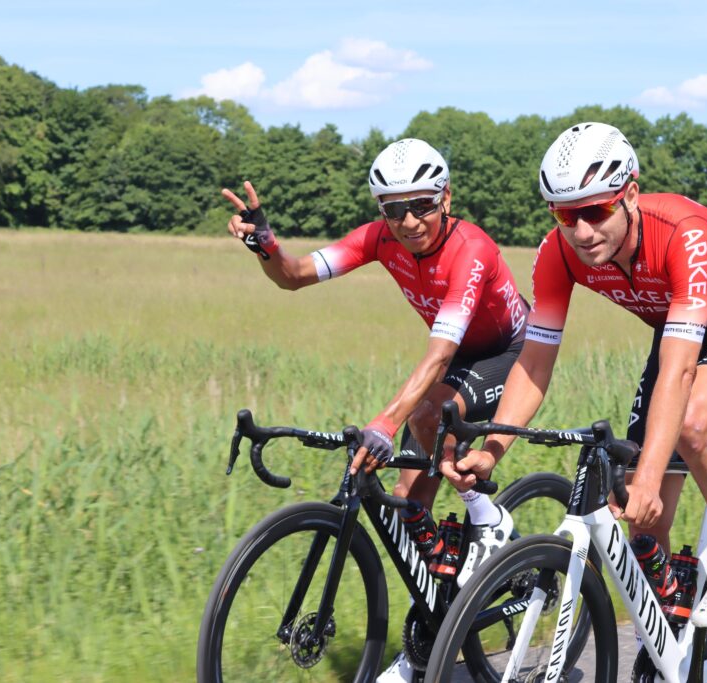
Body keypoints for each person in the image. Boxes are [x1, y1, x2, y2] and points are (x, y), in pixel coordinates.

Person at [444, 122, 707, 631]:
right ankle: (672, 632)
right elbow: (534, 362)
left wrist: (654, 473)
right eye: (566, 214)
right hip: (676, 335)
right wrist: (491, 448)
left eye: (596, 210)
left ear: (630, 193)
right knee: (642, 520)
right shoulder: (559, 253)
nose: (582, 232)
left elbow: (679, 373)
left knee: (691, 426)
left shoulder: (684, 234)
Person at [222, 138, 528, 682]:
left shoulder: (472, 249)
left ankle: (487, 515)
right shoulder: (377, 239)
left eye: (422, 205)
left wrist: (385, 421)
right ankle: (427, 642)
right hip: (454, 357)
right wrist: (266, 244)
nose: (409, 221)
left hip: (508, 352)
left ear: (446, 198)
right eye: (393, 209)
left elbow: (440, 354)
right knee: (409, 506)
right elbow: (292, 276)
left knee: (426, 414)